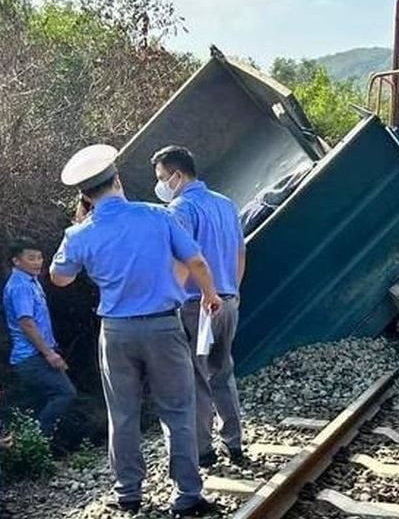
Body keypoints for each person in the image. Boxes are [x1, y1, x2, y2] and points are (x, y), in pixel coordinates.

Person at [49, 144, 222, 517]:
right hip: (163, 327)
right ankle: (187, 495)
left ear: (85, 196)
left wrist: (80, 232)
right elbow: (195, 259)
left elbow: (59, 278)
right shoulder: (157, 216)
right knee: (177, 410)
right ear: (118, 180)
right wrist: (210, 295)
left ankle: (128, 493)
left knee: (123, 414)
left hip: (116, 333)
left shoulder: (78, 235)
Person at [151, 145, 246, 467]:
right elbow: (240, 253)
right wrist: (233, 290)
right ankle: (235, 444)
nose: (162, 184)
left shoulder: (180, 208)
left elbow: (183, 261)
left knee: (196, 378)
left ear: (177, 175)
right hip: (228, 300)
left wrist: (165, 300)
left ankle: (204, 450)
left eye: (163, 177)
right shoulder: (226, 204)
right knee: (223, 372)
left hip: (197, 304)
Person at [3, 238, 76, 439]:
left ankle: (28, 446)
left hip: (35, 356)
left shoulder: (30, 282)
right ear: (16, 261)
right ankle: (37, 442)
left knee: (36, 402)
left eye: (40, 257)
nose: (38, 262)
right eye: (31, 258)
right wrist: (49, 354)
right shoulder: (20, 286)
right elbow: (26, 322)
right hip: (31, 356)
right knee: (64, 393)